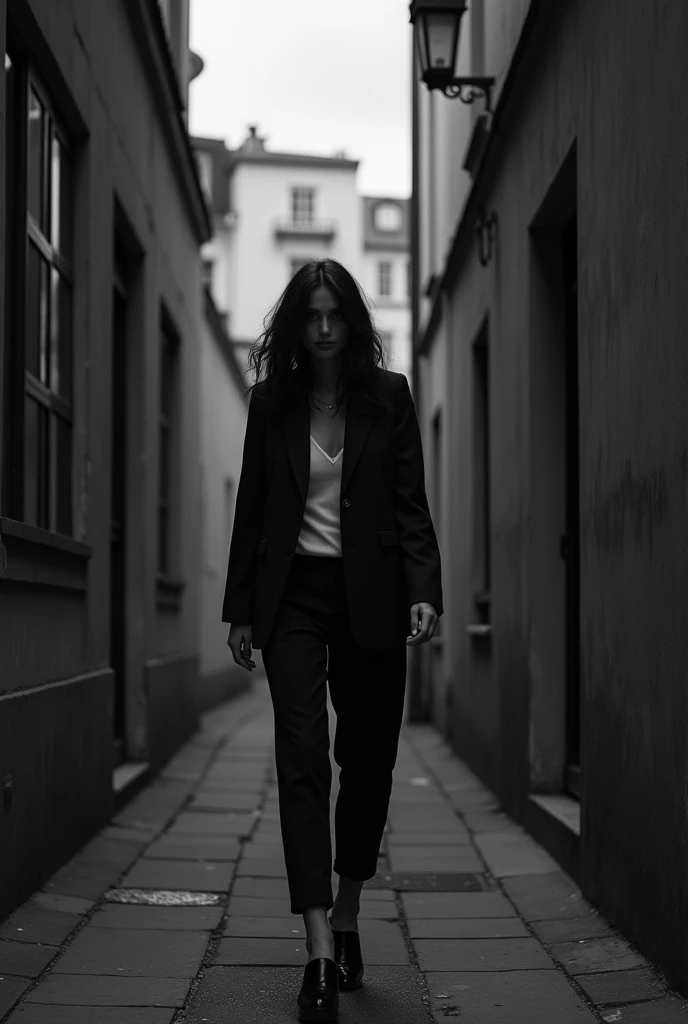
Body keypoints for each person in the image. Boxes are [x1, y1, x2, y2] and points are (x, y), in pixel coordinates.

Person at [223, 258, 442, 1022]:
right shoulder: (270, 403)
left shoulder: (389, 398)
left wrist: (423, 591)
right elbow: (252, 508)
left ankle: (348, 908)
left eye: (334, 316)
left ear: (351, 320)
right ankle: (318, 945)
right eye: (310, 316)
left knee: (370, 761)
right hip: (292, 600)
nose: (322, 330)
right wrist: (241, 610)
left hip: (373, 598)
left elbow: (411, 503)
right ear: (295, 323)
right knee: (302, 753)